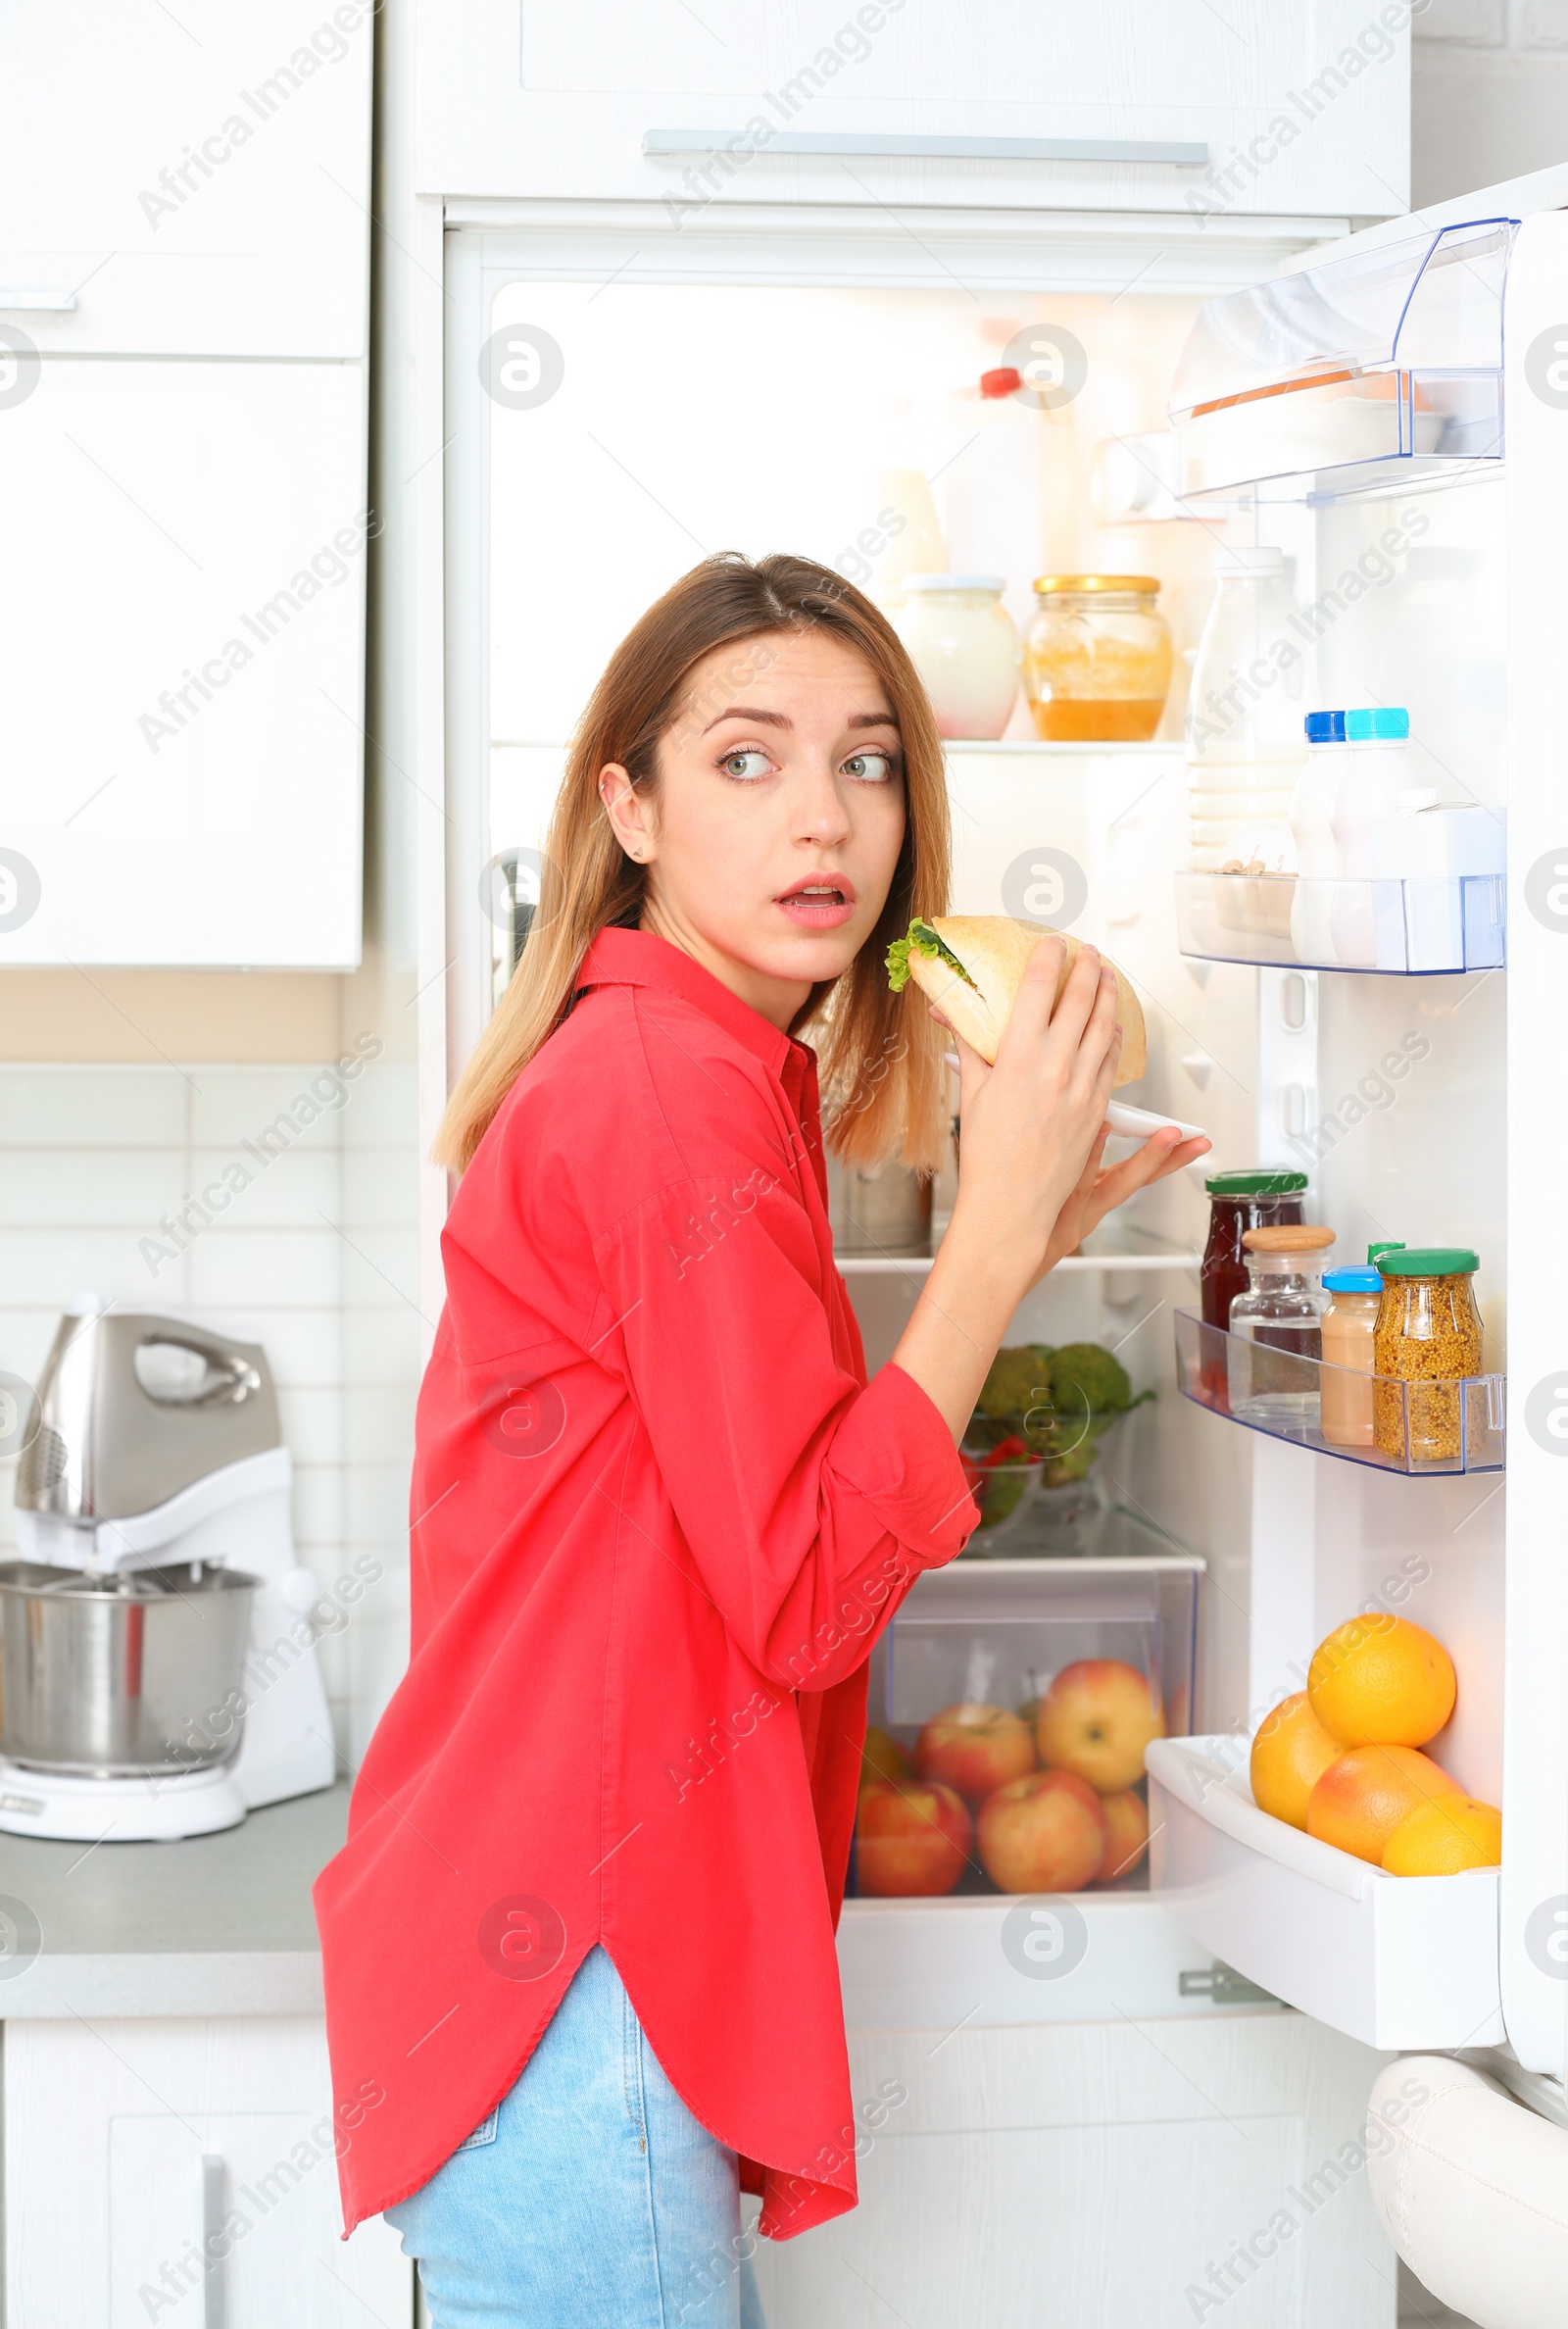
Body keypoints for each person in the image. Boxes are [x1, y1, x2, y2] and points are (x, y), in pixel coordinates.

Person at [314, 552, 1207, 2327]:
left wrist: (1011, 1236)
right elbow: (807, 1596)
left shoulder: (703, 1064)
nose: (824, 816)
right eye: (746, 759)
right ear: (626, 807)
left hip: (544, 1954)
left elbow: (750, 1508)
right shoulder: (673, 1096)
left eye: (868, 762)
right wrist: (980, 1244)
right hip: (586, 1974)